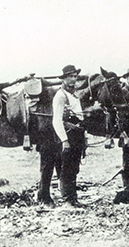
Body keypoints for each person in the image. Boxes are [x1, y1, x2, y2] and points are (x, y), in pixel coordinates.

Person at [39, 64, 87, 207]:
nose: (73, 79)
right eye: (70, 77)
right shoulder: (60, 96)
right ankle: (67, 199)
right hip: (68, 135)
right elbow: (57, 120)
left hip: (77, 133)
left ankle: (73, 198)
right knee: (67, 169)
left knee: (74, 168)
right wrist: (64, 140)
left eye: (75, 77)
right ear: (64, 79)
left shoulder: (74, 95)